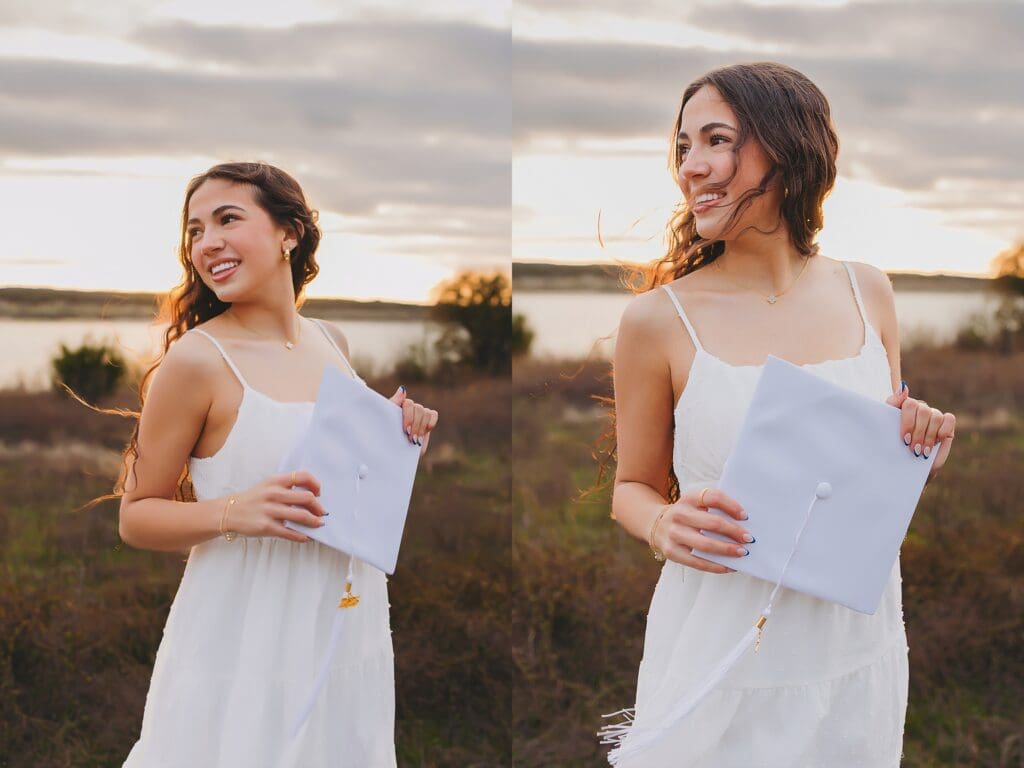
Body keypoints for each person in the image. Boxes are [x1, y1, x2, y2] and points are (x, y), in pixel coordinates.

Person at [605, 63, 956, 767]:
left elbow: (864, 472)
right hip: (721, 650)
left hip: (854, 647)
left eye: (717, 140)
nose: (690, 166)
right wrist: (662, 522)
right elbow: (630, 488)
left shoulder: (869, 292)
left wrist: (918, 446)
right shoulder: (656, 321)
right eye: (683, 147)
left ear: (789, 148)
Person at [117, 162, 438, 767]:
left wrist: (394, 435)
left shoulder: (332, 341)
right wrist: (234, 512)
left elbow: (342, 491)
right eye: (195, 230)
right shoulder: (196, 360)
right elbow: (136, 517)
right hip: (244, 632)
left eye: (227, 219)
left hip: (346, 624)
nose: (207, 242)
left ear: (289, 232)